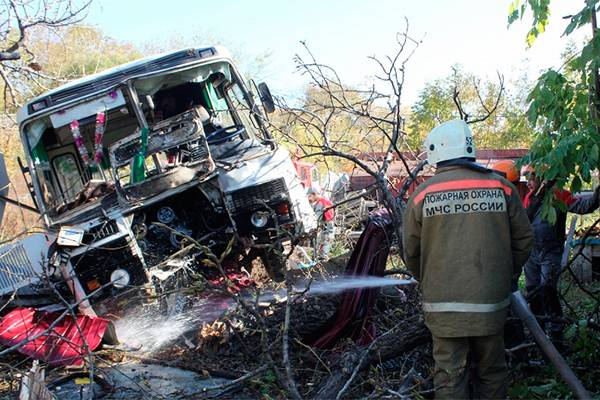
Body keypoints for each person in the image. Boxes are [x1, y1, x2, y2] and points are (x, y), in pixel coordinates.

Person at [403, 119, 533, 399]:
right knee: (492, 372)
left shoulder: (422, 194)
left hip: (443, 307)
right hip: (491, 302)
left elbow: (411, 253)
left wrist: (427, 278)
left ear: (436, 152)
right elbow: (524, 241)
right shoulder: (504, 188)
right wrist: (505, 275)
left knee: (450, 378)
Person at [521, 165, 600, 338]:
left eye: (531, 178)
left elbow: (584, 206)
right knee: (533, 290)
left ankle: (556, 333)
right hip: (532, 253)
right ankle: (538, 334)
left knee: (547, 288)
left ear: (543, 178)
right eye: (527, 179)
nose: (528, 183)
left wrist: (597, 194)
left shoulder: (558, 195)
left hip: (551, 251)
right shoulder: (529, 198)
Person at [307, 185, 335, 260]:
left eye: (310, 196)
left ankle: (320, 261)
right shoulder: (325, 201)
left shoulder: (320, 204)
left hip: (326, 230)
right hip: (329, 229)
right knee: (322, 247)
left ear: (314, 194)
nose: (308, 198)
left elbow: (317, 218)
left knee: (321, 252)